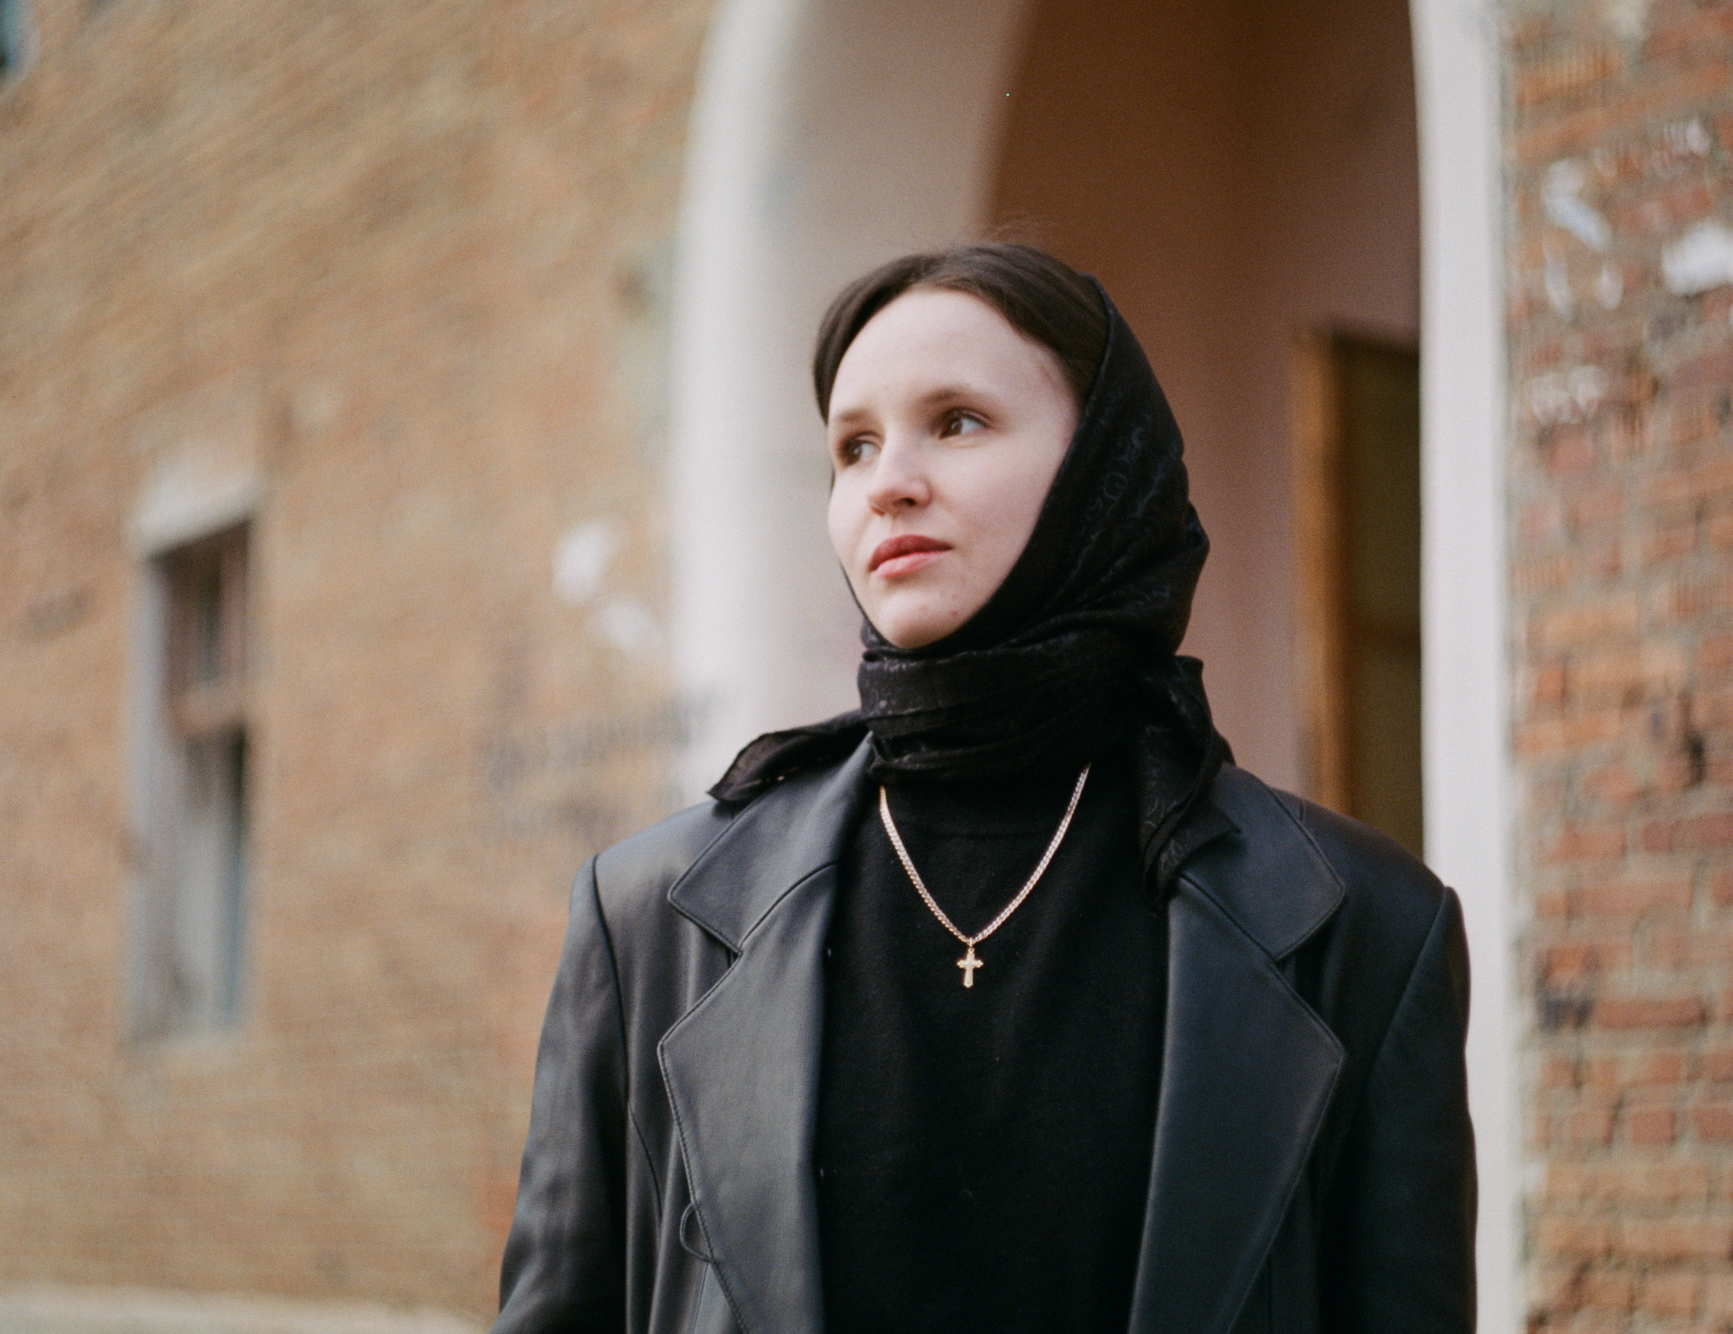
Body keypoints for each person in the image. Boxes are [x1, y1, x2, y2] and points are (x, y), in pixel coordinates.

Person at [492, 243, 1476, 1334]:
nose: (888, 480)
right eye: (852, 444)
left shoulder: (1370, 927)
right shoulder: (646, 918)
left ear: (1105, 468)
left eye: (956, 420)